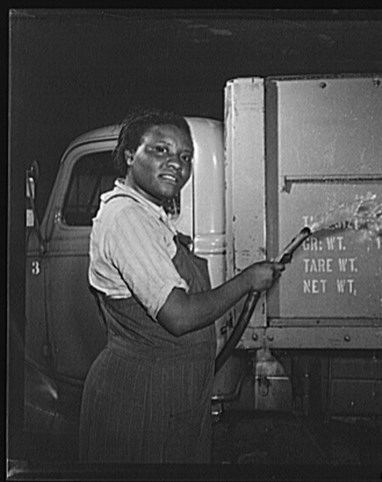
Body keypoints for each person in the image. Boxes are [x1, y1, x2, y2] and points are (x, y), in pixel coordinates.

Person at [78, 108, 285, 463]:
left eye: (185, 156)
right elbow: (179, 316)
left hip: (168, 395)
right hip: (142, 400)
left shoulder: (148, 216)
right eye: (160, 150)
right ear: (130, 155)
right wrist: (248, 280)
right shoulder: (127, 218)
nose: (176, 163)